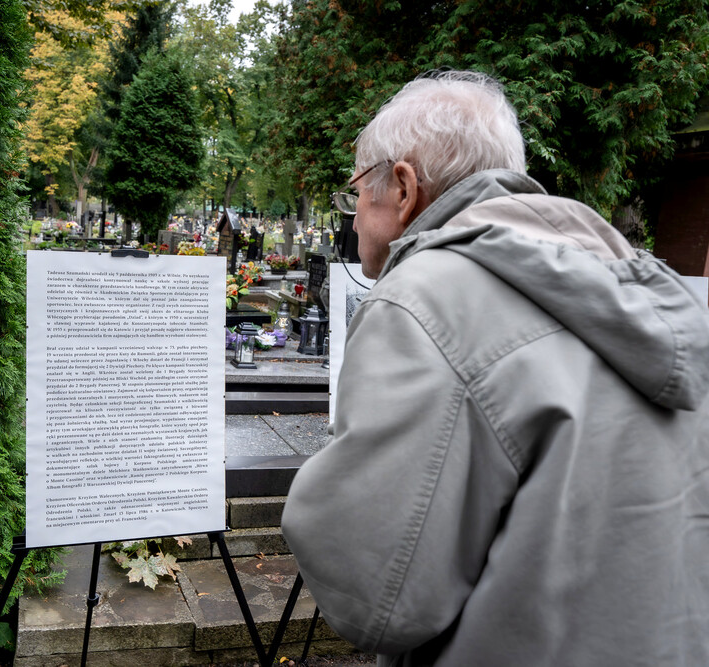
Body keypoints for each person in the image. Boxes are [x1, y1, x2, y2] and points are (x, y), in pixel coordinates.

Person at [282, 70, 709, 666]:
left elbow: (380, 596)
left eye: (354, 190)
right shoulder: (645, 287)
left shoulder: (424, 298)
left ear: (403, 188)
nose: (352, 215)